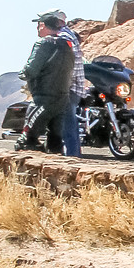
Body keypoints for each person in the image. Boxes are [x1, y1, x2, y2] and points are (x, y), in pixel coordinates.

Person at [19, 13, 76, 153]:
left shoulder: (43, 43)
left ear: (43, 25)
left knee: (27, 139)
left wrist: (23, 74)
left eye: (38, 25)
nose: (37, 29)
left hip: (43, 97)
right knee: (55, 140)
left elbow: (31, 69)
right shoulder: (68, 44)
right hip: (62, 97)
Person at [50, 9, 87, 158]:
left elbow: (66, 63)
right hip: (73, 87)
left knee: (68, 126)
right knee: (69, 125)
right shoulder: (70, 34)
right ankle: (73, 155)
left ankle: (73, 158)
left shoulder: (64, 36)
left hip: (67, 88)